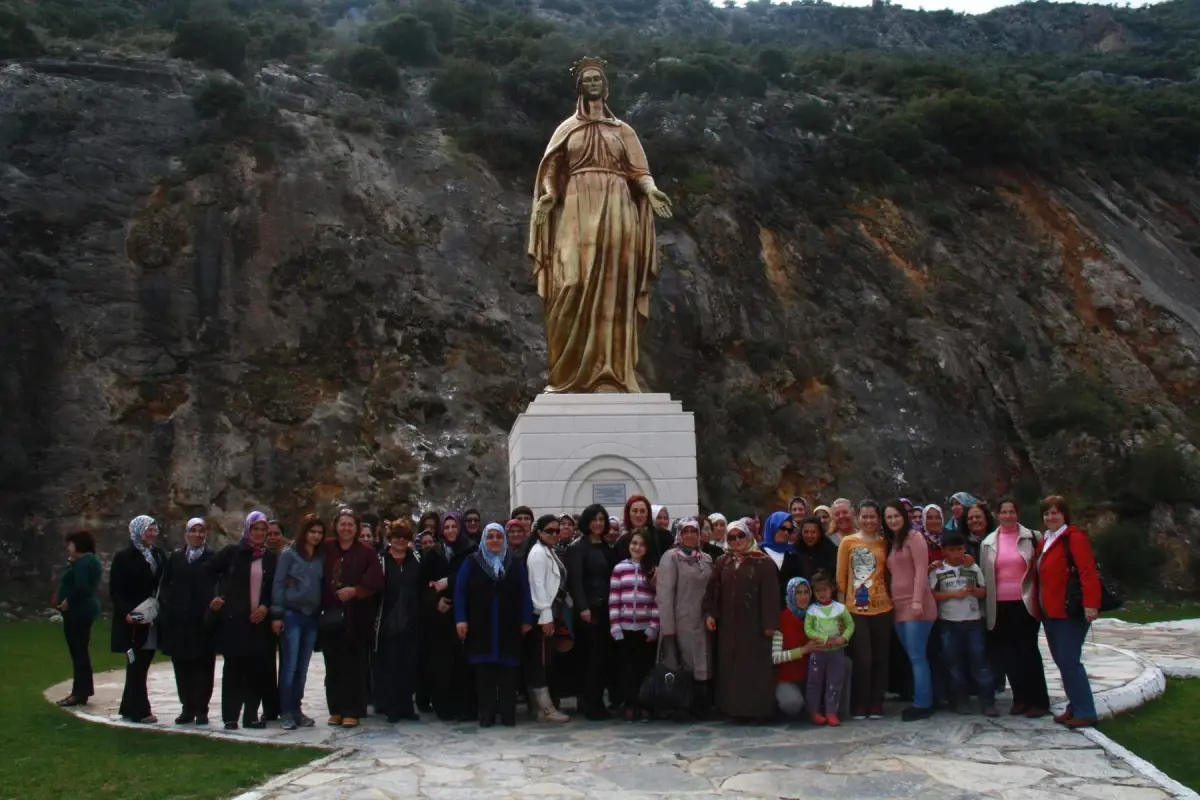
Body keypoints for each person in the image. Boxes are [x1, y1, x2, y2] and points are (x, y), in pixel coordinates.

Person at [455, 523, 533, 727]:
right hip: (481, 625)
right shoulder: (472, 562)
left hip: (509, 625)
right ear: (484, 540)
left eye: (499, 536)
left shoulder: (514, 563)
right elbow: (460, 592)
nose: (495, 540)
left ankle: (508, 716)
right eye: (490, 537)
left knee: (508, 674)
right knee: (484, 674)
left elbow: (524, 592)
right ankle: (486, 716)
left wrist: (526, 619)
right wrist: (461, 619)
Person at [705, 517, 781, 722]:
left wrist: (769, 624)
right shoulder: (723, 562)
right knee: (730, 666)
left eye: (740, 536)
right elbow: (713, 590)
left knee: (753, 667)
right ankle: (731, 709)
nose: (737, 540)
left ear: (748, 536)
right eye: (732, 537)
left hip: (754, 626)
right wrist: (711, 613)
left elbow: (771, 595)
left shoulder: (763, 562)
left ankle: (756, 710)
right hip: (729, 626)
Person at [209, 511, 278, 730]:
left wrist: (266, 607)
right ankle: (231, 715)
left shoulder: (268, 557)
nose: (259, 533)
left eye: (263, 529)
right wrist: (217, 597)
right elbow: (208, 572)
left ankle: (251, 715)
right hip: (235, 620)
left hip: (259, 621)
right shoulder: (233, 552)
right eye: (255, 529)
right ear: (248, 530)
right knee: (234, 669)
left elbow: (272, 587)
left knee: (256, 669)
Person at [1037, 495, 1102, 729]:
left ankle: (1086, 710)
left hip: (1069, 611)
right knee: (1062, 662)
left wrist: (1091, 603)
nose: (1050, 517)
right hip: (1051, 611)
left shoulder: (1073, 538)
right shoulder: (1045, 540)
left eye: (1055, 512)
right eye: (1046, 513)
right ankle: (1074, 706)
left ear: (1064, 514)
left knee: (1069, 660)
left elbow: (1087, 571)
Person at [980, 498, 1049, 718]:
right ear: (998, 515)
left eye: (1012, 511)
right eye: (1004, 512)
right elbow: (984, 575)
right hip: (999, 605)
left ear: (1018, 514)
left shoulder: (1032, 538)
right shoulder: (988, 542)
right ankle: (1019, 699)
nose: (1008, 516)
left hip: (1025, 604)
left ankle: (1037, 700)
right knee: (1008, 655)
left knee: (1028, 652)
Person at [321, 507, 384, 728]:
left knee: (354, 666)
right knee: (333, 665)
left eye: (350, 524)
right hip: (330, 615)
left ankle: (353, 710)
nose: (346, 528)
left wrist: (355, 591)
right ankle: (336, 709)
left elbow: (375, 580)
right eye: (342, 524)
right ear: (336, 526)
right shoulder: (327, 548)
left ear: (356, 528)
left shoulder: (366, 552)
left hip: (357, 617)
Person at [930, 532, 997, 716]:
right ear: (943, 551)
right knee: (954, 663)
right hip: (949, 621)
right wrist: (953, 594)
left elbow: (983, 592)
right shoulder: (938, 570)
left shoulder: (972, 567)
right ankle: (960, 700)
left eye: (959, 549)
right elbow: (932, 595)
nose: (956, 553)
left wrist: (973, 591)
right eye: (951, 550)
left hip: (973, 620)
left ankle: (987, 700)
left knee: (979, 661)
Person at [836, 501, 892, 720]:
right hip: (855, 609)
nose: (869, 521)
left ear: (879, 519)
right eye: (865, 516)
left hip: (883, 607)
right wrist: (841, 610)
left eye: (873, 517)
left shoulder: (884, 543)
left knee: (881, 657)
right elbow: (841, 578)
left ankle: (876, 702)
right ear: (858, 517)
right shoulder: (847, 542)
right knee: (863, 658)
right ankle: (860, 702)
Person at [884, 500, 938, 721]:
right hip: (898, 606)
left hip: (917, 606)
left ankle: (923, 703)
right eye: (889, 517)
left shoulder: (915, 538)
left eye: (896, 516)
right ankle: (922, 697)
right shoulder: (893, 541)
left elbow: (921, 571)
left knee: (917, 656)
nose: (893, 520)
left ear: (904, 517)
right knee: (912, 656)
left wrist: (917, 601)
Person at [657, 516, 716, 719]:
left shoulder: (706, 558)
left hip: (704, 620)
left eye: (694, 531)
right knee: (684, 662)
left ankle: (702, 705)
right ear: (679, 534)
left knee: (704, 661)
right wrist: (668, 628)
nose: (690, 535)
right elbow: (664, 594)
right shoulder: (671, 557)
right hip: (681, 620)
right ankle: (683, 704)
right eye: (686, 532)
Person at [110, 514, 167, 724]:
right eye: (147, 530)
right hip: (133, 619)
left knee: (143, 661)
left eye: (154, 529)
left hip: (151, 615)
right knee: (136, 662)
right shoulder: (124, 557)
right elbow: (116, 589)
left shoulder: (158, 554)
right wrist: (126, 612)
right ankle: (140, 709)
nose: (151, 534)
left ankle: (128, 705)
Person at [160, 518, 217, 725]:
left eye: (201, 531)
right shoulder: (176, 558)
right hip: (180, 621)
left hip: (203, 621)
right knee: (182, 666)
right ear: (186, 534)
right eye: (194, 530)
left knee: (203, 667)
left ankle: (202, 709)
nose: (198, 535)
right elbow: (165, 584)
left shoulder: (212, 558)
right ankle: (187, 707)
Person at [271, 514, 325, 730]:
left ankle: (297, 708)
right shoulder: (289, 554)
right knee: (289, 666)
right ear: (304, 532)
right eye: (312, 532)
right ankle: (285, 711)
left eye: (320, 533)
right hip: (292, 614)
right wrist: (276, 614)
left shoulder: (321, 556)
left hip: (312, 615)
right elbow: (279, 583)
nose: (316, 536)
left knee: (302, 667)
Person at [423, 511, 478, 722]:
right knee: (442, 664)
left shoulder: (471, 551)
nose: (450, 531)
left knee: (464, 663)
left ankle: (466, 707)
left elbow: (473, 578)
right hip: (439, 618)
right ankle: (444, 707)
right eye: (446, 527)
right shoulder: (433, 553)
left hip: (464, 614)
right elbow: (423, 585)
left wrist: (450, 582)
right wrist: (435, 601)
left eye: (454, 526)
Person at [566, 504, 619, 719]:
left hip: (607, 609)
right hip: (590, 610)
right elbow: (575, 581)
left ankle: (596, 700)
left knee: (603, 658)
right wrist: (583, 607)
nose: (598, 523)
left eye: (601, 519)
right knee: (591, 659)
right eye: (594, 519)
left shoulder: (607, 547)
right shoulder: (578, 548)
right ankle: (590, 704)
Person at [374, 523, 423, 723]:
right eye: (396, 537)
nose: (400, 541)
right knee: (390, 665)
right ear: (390, 538)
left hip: (412, 621)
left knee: (408, 665)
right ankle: (391, 707)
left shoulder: (416, 561)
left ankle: (406, 706)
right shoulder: (381, 561)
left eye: (404, 537)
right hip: (387, 621)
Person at [609, 530, 660, 723]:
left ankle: (645, 705)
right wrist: (615, 627)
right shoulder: (620, 569)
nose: (637, 548)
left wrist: (654, 626)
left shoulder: (653, 570)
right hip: (625, 629)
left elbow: (658, 599)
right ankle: (629, 704)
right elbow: (614, 599)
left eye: (641, 544)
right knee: (627, 670)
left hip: (645, 629)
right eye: (634, 543)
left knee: (644, 669)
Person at [524, 515, 570, 723]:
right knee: (540, 661)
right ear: (539, 532)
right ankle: (545, 708)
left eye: (556, 531)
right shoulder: (537, 554)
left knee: (546, 660)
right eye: (549, 531)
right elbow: (538, 586)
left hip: (554, 610)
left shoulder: (548, 551)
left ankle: (541, 706)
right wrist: (546, 617)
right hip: (543, 615)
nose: (553, 534)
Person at [55, 530, 102, 708]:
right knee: (79, 652)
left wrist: (68, 600)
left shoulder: (85, 562)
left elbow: (81, 586)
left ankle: (79, 692)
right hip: (80, 611)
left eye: (71, 544)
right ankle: (82, 690)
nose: (68, 548)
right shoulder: (82, 562)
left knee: (79, 652)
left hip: (79, 612)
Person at [805, 572, 855, 726]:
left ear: (831, 589)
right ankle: (814, 712)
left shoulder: (840, 608)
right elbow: (809, 630)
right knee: (815, 682)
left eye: (825, 590)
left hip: (837, 652)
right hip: (818, 652)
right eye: (818, 591)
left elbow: (850, 625)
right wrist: (825, 639)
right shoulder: (812, 610)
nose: (822, 594)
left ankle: (831, 712)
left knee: (835, 682)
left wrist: (843, 638)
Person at [772, 577, 816, 719]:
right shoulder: (781, 620)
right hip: (787, 678)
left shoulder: (816, 616)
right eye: (798, 593)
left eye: (806, 592)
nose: (803, 597)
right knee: (792, 704)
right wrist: (803, 650)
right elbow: (775, 657)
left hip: (811, 676)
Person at [792, 515, 838, 583]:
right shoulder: (794, 550)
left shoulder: (830, 549)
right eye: (806, 532)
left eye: (813, 532)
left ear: (820, 533)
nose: (809, 535)